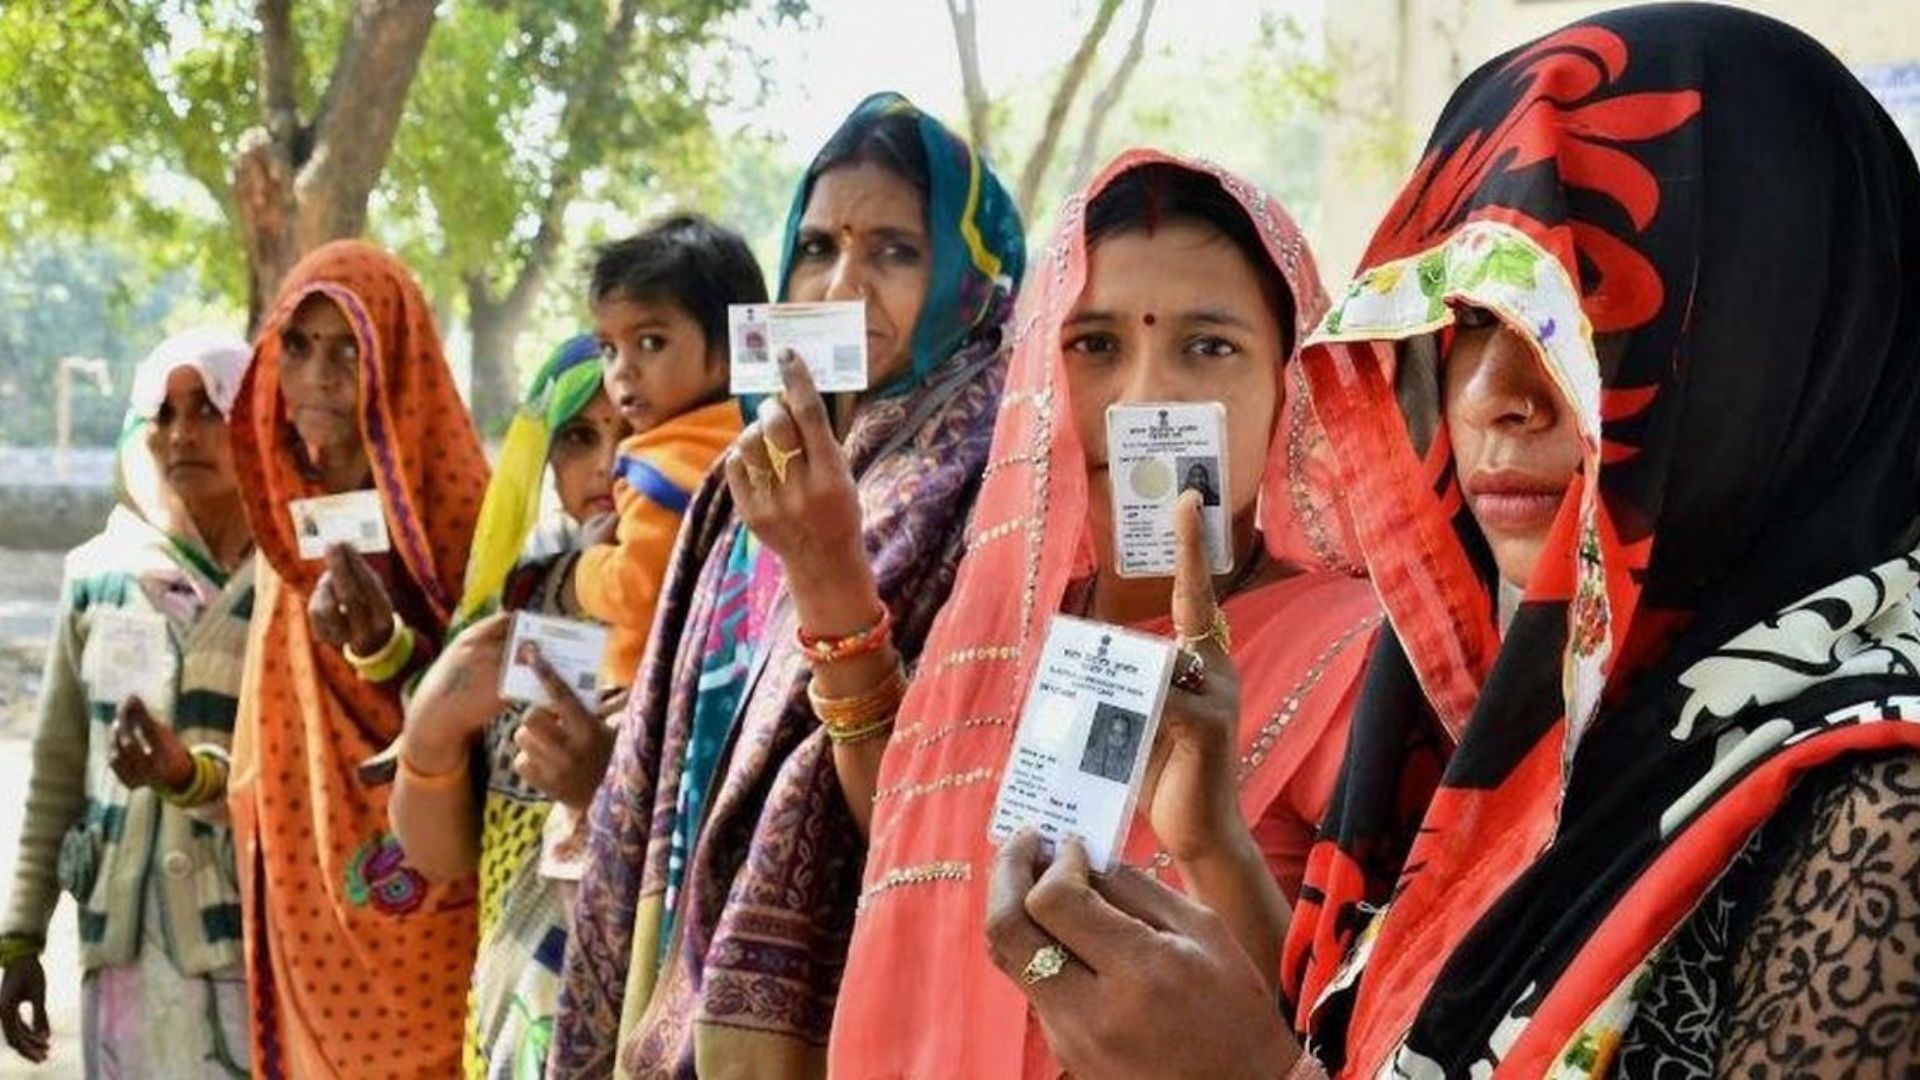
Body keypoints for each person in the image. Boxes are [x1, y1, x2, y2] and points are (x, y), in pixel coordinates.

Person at [983, 6, 1920, 1078]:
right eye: (1472, 321)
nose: (1489, 396)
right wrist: (1210, 848)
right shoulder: (1553, 721)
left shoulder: (1884, 821)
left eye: (1578, 314)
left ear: (1790, 337)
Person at [832, 152, 1377, 1078]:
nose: (1146, 402)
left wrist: (1213, 847)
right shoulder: (998, 638)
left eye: (1209, 347)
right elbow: (905, 850)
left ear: (1290, 386)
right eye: (1093, 346)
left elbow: (1374, 1034)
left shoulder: (1359, 654)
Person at [550, 90, 1025, 1076]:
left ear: (973, 277)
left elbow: (948, 816)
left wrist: (825, 569)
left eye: (894, 250)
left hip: (865, 1004)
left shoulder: (1003, 479)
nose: (843, 284)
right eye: (817, 248)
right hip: (680, 975)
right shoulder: (743, 485)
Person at [227, 240, 489, 1076]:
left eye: (348, 348)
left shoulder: (454, 508)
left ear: (398, 359)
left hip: (426, 886)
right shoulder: (281, 518)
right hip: (304, 892)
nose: (320, 377)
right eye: (298, 347)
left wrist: (386, 652)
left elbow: (495, 696)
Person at [0, 330, 256, 1076]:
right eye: (164, 413)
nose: (183, 434)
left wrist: (193, 778)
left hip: (246, 943)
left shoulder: (293, 587)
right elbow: (56, 769)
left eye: (210, 409)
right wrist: (21, 933)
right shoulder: (99, 576)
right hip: (122, 943)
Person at [386, 332, 628, 1078]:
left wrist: (602, 797)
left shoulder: (728, 604)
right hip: (516, 1015)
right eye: (579, 436)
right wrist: (431, 731)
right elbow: (445, 855)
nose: (607, 465)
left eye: (634, 429)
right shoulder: (524, 602)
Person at [566, 215, 770, 687]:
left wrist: (587, 564)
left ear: (725, 354)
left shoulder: (658, 466)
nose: (622, 371)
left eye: (650, 342)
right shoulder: (750, 435)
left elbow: (635, 592)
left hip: (646, 691)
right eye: (608, 349)